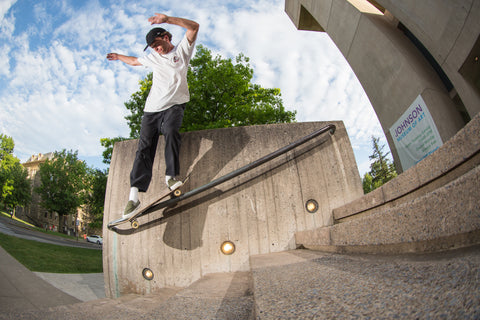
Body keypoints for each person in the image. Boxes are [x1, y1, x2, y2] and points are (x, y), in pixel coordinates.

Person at [107, 13, 199, 219]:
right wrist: (118, 56)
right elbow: (133, 61)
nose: (156, 50)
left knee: (171, 131)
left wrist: (167, 19)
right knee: (144, 148)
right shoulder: (152, 57)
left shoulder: (182, 50)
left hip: (175, 105)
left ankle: (170, 176)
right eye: (153, 48)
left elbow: (194, 27)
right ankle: (134, 196)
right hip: (152, 109)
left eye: (158, 44)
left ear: (166, 37)